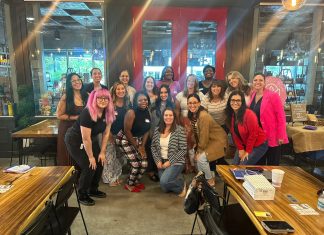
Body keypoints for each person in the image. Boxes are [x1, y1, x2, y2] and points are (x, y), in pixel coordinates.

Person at [64, 89, 115, 206]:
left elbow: (106, 133)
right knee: (89, 165)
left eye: (106, 98)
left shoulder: (109, 112)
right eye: (99, 98)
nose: (103, 100)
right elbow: (85, 138)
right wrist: (91, 156)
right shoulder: (88, 112)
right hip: (75, 140)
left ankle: (92, 189)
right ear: (94, 99)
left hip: (90, 139)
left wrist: (102, 152)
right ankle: (82, 194)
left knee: (100, 161)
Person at [187, 94, 228, 186]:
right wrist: (196, 145)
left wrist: (199, 150)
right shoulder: (193, 114)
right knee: (198, 157)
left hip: (217, 141)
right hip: (210, 140)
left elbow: (204, 135)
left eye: (195, 102)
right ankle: (207, 176)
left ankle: (210, 180)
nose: (192, 105)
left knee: (201, 159)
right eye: (190, 103)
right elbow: (197, 132)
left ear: (199, 103)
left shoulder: (203, 116)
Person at [248, 73, 288, 165]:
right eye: (255, 80)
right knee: (258, 163)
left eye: (260, 80)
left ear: (265, 82)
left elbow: (281, 116)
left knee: (272, 165)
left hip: (272, 135)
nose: (258, 82)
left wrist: (281, 135)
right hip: (258, 136)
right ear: (252, 82)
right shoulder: (253, 95)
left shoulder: (272, 96)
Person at [115, 91, 151, 192]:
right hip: (125, 139)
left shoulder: (147, 111)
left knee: (144, 164)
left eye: (145, 99)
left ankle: (135, 181)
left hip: (137, 139)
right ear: (135, 101)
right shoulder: (131, 112)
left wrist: (142, 146)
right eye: (140, 100)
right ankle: (129, 184)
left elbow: (147, 130)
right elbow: (127, 131)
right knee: (136, 164)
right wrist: (138, 147)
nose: (143, 102)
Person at [225, 90, 268, 165]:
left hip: (258, 144)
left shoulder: (249, 114)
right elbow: (235, 135)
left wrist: (247, 151)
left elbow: (253, 134)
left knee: (242, 165)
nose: (235, 103)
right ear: (229, 101)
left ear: (242, 102)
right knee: (234, 165)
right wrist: (241, 149)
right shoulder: (232, 115)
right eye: (233, 100)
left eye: (238, 100)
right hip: (245, 144)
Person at [151, 108, 187, 197]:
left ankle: (181, 185)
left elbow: (183, 149)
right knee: (164, 188)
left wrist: (170, 161)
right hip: (161, 161)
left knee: (164, 182)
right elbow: (153, 147)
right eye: (166, 115)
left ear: (174, 117)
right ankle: (177, 178)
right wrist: (157, 160)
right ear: (163, 117)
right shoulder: (157, 130)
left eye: (170, 115)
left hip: (176, 161)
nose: (168, 117)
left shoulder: (179, 130)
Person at [102, 82, 130, 186]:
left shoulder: (128, 104)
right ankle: (109, 179)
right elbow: (105, 121)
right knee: (109, 157)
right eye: (118, 89)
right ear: (114, 91)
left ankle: (115, 176)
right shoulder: (110, 105)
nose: (121, 91)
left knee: (120, 158)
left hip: (123, 136)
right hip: (110, 135)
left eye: (122, 89)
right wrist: (109, 135)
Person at [176, 74, 205, 173]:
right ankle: (188, 165)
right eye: (189, 81)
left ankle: (197, 165)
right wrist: (179, 123)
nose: (190, 83)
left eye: (193, 81)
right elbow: (176, 110)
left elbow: (203, 108)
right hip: (183, 122)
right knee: (185, 145)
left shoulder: (200, 95)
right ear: (186, 82)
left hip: (196, 121)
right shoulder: (180, 95)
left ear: (196, 83)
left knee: (196, 143)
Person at [56, 73, 87, 166]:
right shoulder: (66, 97)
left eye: (78, 79)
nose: (77, 82)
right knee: (69, 156)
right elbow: (59, 115)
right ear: (69, 83)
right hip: (67, 129)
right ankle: (70, 179)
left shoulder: (86, 95)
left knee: (81, 156)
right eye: (74, 81)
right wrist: (75, 117)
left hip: (81, 130)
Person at [142, 76, 159, 182]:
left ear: (154, 83)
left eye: (151, 82)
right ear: (145, 83)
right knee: (148, 147)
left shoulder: (157, 96)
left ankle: (158, 167)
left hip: (156, 122)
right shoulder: (141, 95)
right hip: (144, 123)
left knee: (156, 147)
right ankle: (150, 170)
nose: (149, 83)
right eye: (147, 82)